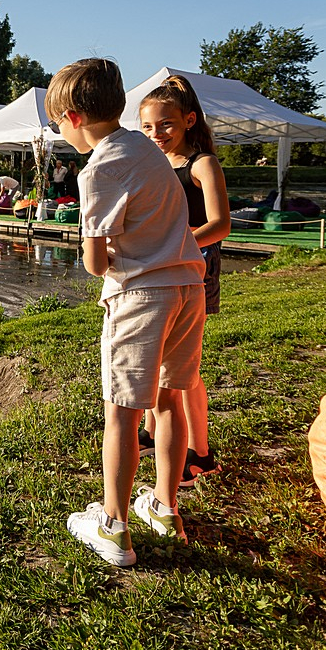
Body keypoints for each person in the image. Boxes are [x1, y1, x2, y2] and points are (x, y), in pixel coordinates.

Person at [46, 58, 205, 566]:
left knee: (121, 412)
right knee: (169, 399)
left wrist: (110, 255)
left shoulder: (99, 168)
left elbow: (95, 263)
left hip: (141, 298)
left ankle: (113, 526)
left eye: (57, 126)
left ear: (72, 117)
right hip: (188, 285)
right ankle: (164, 505)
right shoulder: (147, 148)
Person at [137, 74, 231, 486]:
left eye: (166, 125)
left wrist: (176, 245)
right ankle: (151, 431)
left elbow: (220, 224)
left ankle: (202, 453)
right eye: (147, 127)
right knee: (155, 359)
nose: (156, 134)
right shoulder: (155, 163)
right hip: (162, 270)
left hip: (195, 269)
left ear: (189, 120)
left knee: (184, 369)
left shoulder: (202, 163)